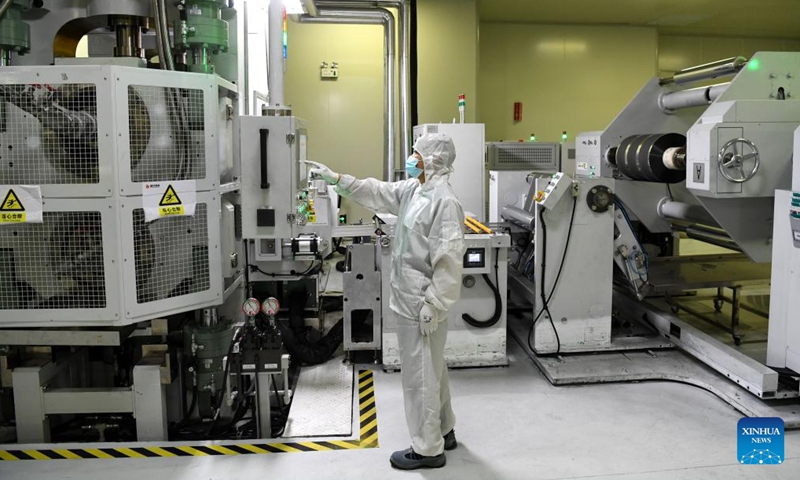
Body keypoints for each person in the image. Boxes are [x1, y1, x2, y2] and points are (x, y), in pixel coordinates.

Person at [305, 133, 465, 470]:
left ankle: (427, 449)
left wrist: (433, 305)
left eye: (416, 153)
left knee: (419, 376)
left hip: (422, 305)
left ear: (433, 160)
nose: (411, 157)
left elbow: (449, 261)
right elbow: (377, 191)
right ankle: (445, 430)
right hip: (411, 298)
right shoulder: (414, 190)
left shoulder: (443, 201)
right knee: (433, 367)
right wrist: (337, 180)